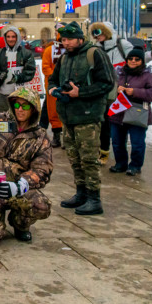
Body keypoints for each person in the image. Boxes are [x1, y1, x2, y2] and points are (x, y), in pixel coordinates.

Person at [0, 86, 53, 245]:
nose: (20, 109)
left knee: (41, 205)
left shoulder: (40, 136)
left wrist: (21, 185)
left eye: (25, 106)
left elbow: (43, 168)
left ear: (33, 109)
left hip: (16, 189)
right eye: (17, 105)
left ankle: (20, 223)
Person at [48, 21, 116, 215]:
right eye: (63, 40)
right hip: (68, 115)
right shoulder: (64, 58)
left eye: (69, 39)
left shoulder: (94, 54)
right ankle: (81, 193)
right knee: (74, 158)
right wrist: (54, 89)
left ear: (80, 38)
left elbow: (107, 82)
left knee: (88, 159)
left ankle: (94, 198)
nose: (66, 43)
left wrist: (81, 92)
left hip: (88, 114)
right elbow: (53, 79)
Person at [108, 48, 152, 176]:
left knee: (137, 142)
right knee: (117, 141)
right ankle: (120, 163)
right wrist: (116, 90)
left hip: (138, 113)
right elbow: (108, 88)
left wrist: (135, 92)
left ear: (142, 61)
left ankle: (136, 166)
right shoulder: (119, 73)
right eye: (131, 59)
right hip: (119, 112)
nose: (133, 61)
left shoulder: (147, 75)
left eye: (137, 59)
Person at [90, 22, 133, 165]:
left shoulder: (122, 45)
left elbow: (135, 61)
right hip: (101, 91)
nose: (97, 35)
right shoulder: (95, 48)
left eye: (99, 32)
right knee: (103, 123)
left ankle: (120, 156)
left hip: (119, 91)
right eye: (94, 33)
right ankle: (103, 151)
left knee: (118, 124)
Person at [0, 25, 37, 113]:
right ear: (5, 38)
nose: (10, 39)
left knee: (18, 121)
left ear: (17, 38)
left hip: (20, 94)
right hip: (1, 93)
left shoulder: (26, 54)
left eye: (13, 37)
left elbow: (30, 71)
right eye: (8, 37)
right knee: (1, 122)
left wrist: (19, 77)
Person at [41, 30, 66, 148]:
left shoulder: (73, 51)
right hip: (53, 87)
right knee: (53, 111)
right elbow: (45, 67)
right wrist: (56, 78)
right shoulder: (49, 50)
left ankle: (68, 138)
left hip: (68, 86)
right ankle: (56, 137)